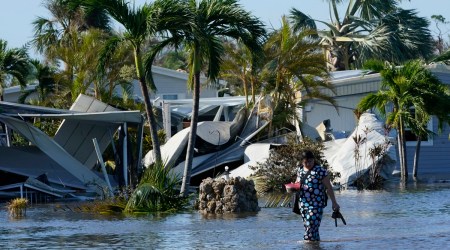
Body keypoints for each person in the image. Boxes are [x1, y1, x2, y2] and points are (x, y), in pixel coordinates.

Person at [295, 150, 340, 242]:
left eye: (310, 161)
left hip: (316, 204)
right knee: (312, 229)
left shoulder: (320, 171)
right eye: (305, 162)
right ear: (302, 162)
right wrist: (293, 187)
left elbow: (329, 188)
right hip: (303, 204)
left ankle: (306, 245)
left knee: (310, 225)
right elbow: (297, 183)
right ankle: (316, 246)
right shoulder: (300, 170)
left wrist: (334, 203)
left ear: (313, 160)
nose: (308, 164)